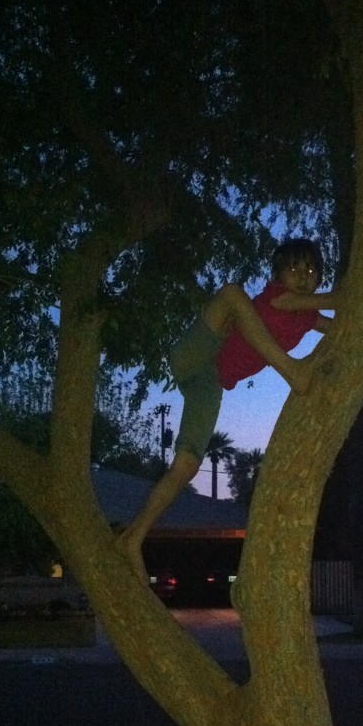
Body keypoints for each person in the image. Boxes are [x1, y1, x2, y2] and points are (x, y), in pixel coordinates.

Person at [117, 238, 337, 582]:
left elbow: (343, 325)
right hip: (199, 352)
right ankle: (289, 370)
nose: (303, 275)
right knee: (233, 293)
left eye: (311, 270)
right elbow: (338, 302)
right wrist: (351, 296)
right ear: (277, 274)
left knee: (187, 465)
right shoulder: (277, 297)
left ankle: (133, 538)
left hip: (210, 382)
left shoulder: (309, 318)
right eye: (293, 268)